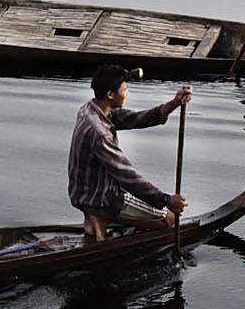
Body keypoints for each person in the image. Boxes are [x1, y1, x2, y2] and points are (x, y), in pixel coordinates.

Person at [69, 66, 191, 242]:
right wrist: (166, 200)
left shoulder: (90, 108)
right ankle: (104, 217)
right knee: (170, 217)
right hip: (104, 198)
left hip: (83, 195)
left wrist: (174, 103)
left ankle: (98, 220)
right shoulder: (99, 133)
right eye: (125, 90)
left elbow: (137, 118)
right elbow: (127, 176)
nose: (127, 94)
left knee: (146, 204)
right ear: (111, 94)